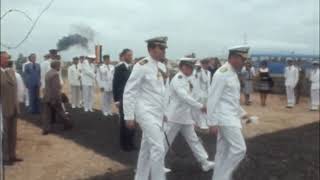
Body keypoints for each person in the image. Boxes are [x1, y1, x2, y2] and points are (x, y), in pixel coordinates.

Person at [123, 37, 169, 180]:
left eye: (164, 48)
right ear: (151, 49)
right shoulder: (141, 65)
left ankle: (140, 177)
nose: (163, 51)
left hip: (157, 112)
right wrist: (129, 116)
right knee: (158, 147)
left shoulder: (162, 67)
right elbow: (130, 91)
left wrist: (164, 112)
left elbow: (162, 92)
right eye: (160, 48)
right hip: (144, 111)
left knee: (146, 148)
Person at [165, 58, 215, 172]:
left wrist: (201, 105)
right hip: (175, 117)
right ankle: (152, 164)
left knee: (194, 140)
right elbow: (185, 97)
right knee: (165, 141)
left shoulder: (189, 79)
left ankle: (204, 162)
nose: (192, 70)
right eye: (190, 67)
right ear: (183, 67)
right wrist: (200, 106)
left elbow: (194, 95)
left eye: (193, 67)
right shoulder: (178, 79)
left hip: (185, 116)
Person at [207, 45, 249, 180]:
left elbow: (231, 100)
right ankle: (223, 177)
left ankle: (217, 177)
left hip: (230, 117)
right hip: (225, 119)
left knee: (222, 152)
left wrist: (243, 114)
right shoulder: (222, 73)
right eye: (242, 59)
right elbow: (212, 99)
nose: (244, 62)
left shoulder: (232, 73)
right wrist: (211, 122)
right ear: (234, 58)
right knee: (239, 149)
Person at [0, 51, 23, 165]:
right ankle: (5, 157)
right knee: (4, 134)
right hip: (2, 109)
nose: (7, 60)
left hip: (13, 107)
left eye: (7, 58)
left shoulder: (11, 72)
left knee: (13, 133)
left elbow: (17, 89)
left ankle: (12, 154)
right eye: (4, 58)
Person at [112, 49, 135, 151]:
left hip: (131, 98)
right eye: (129, 55)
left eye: (131, 55)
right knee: (124, 122)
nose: (131, 57)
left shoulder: (131, 67)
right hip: (122, 98)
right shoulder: (119, 68)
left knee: (132, 121)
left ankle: (131, 142)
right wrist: (116, 99)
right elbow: (115, 84)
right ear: (123, 56)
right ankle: (124, 144)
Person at [42, 60, 73, 135]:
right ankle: (68, 124)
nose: (60, 67)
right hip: (54, 97)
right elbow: (56, 88)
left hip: (47, 96)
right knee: (61, 111)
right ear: (56, 66)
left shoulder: (48, 73)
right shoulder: (55, 74)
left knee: (47, 114)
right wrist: (57, 98)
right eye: (59, 65)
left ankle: (46, 129)